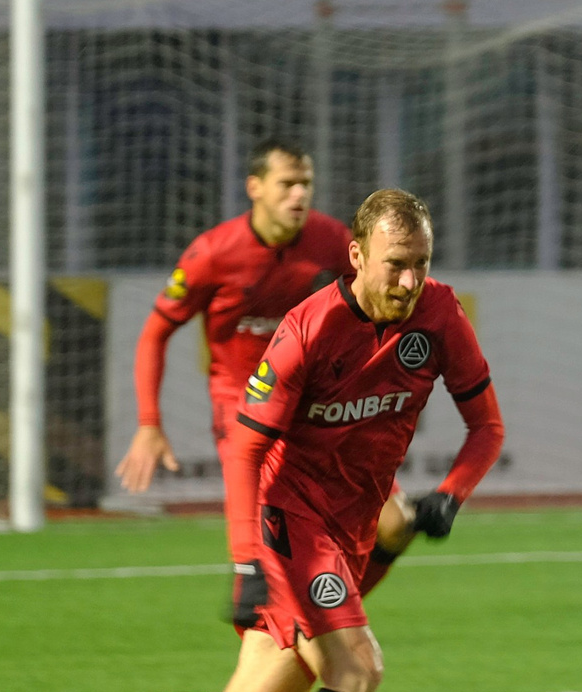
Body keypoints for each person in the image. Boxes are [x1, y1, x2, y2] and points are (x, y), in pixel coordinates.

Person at [0, 189, 505, 692]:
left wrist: (452, 493)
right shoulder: (308, 329)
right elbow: (244, 450)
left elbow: (487, 428)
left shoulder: (441, 315)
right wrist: (245, 560)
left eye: (421, 263)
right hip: (288, 523)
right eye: (396, 263)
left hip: (348, 527)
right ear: (357, 256)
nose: (409, 280)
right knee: (357, 668)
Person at [113, 139, 419, 623]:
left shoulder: (334, 242)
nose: (299, 194)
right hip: (245, 409)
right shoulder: (214, 253)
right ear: (254, 187)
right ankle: (286, 625)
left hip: (317, 409)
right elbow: (154, 334)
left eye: (306, 184)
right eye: (286, 184)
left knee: (397, 523)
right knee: (265, 563)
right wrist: (149, 422)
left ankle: (319, 620)